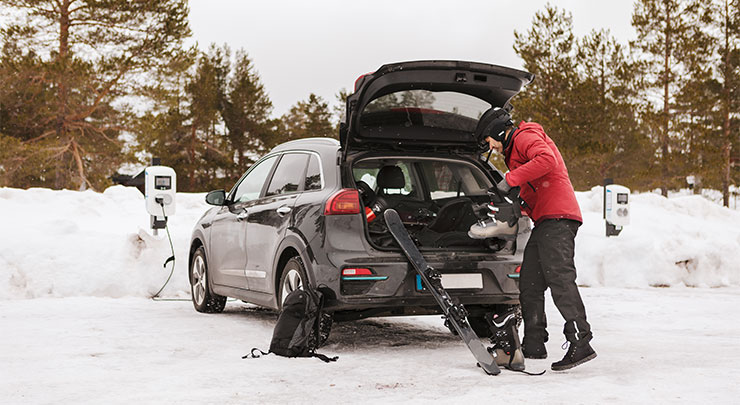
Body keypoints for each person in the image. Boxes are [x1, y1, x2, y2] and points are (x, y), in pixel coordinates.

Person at [475, 107, 596, 371]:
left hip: (559, 218)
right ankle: (534, 343)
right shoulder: (514, 151)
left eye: (489, 140)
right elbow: (531, 187)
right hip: (545, 220)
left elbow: (547, 160)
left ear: (497, 131)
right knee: (530, 283)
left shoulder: (525, 136)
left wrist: (510, 179)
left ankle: (580, 340)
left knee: (560, 278)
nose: (491, 146)